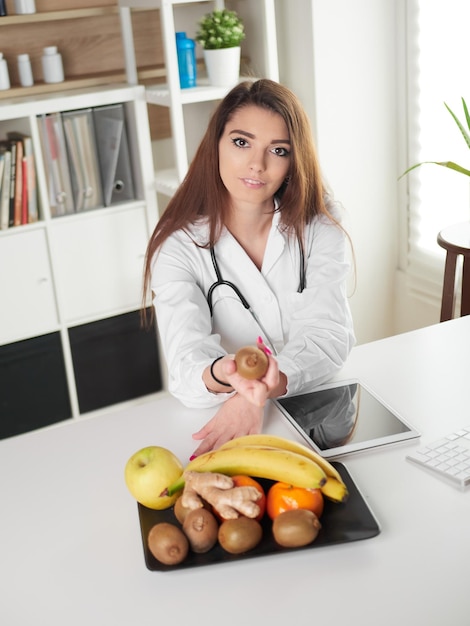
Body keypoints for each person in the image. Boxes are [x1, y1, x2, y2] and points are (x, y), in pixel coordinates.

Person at [142, 79, 355, 458]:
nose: (258, 165)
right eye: (241, 143)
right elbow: (186, 367)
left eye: (278, 150)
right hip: (226, 422)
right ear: (216, 146)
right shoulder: (177, 247)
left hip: (317, 411)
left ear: (294, 160)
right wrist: (224, 373)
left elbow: (329, 336)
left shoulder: (319, 220)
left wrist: (256, 393)